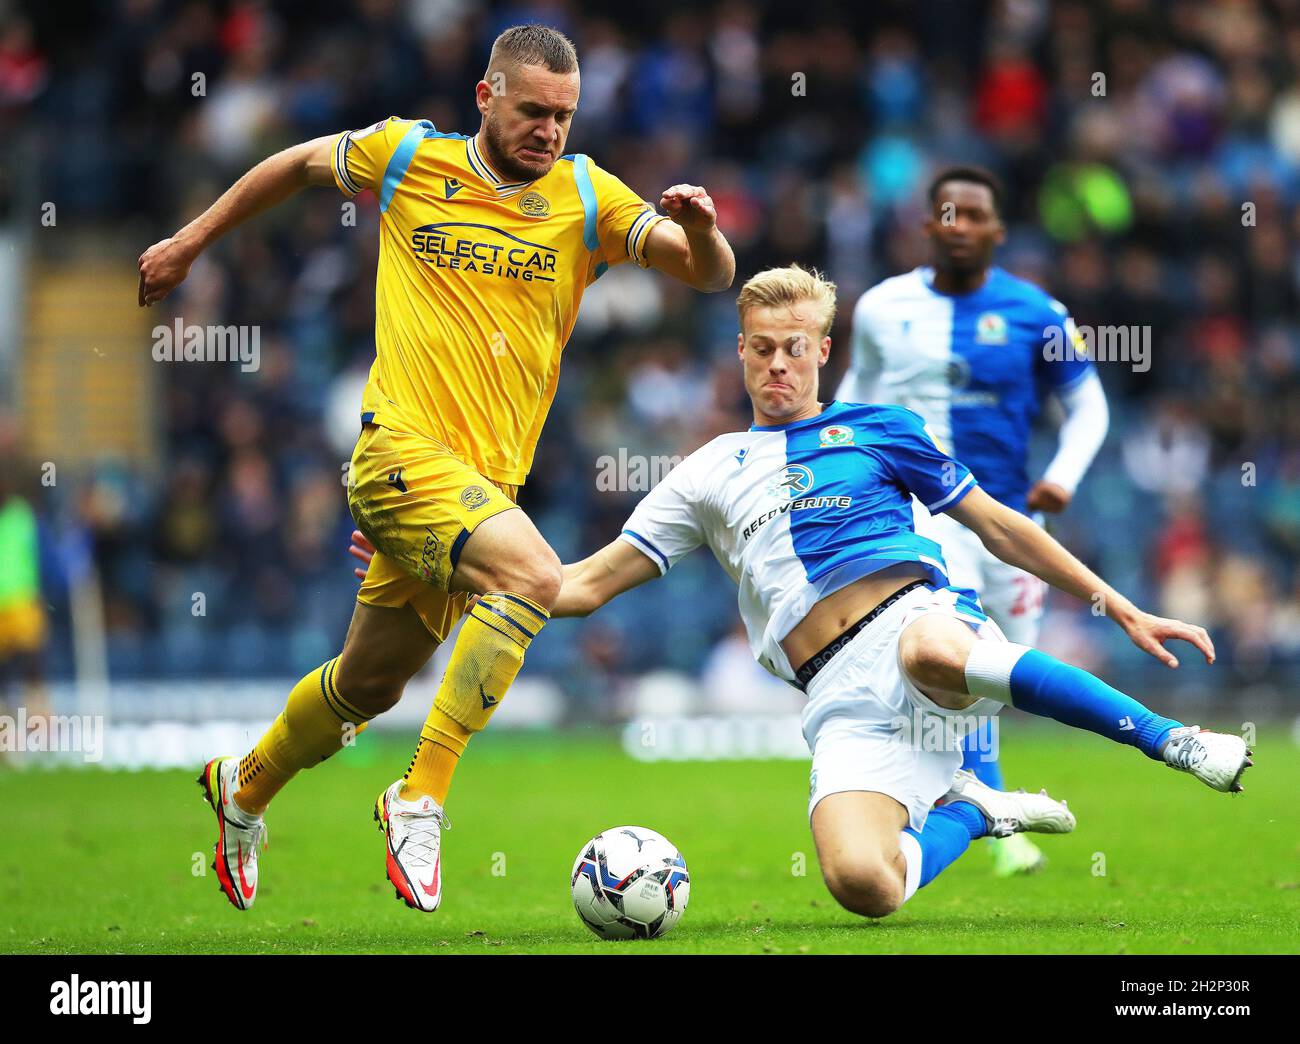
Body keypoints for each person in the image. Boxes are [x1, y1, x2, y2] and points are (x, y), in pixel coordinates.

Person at [137, 23, 735, 913]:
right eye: (532, 110)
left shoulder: (586, 193)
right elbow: (297, 164)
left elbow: (709, 277)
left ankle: (245, 787)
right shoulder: (408, 153)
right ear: (487, 96)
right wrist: (191, 241)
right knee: (532, 575)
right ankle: (419, 796)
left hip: (481, 489)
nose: (550, 130)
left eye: (564, 115)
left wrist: (706, 230)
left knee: (366, 685)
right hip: (397, 452)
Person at [536, 265, 1248, 918]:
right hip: (836, 695)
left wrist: (1116, 603)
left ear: (822, 351)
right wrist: (473, 575)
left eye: (793, 346)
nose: (776, 362)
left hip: (913, 620)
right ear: (741, 355)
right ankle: (973, 809)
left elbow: (998, 526)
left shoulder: (880, 430)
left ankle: (1175, 742)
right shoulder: (706, 470)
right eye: (760, 348)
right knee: (862, 885)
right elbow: (584, 585)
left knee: (933, 646)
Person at [837, 165, 1110, 876]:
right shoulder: (879, 308)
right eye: (946, 215)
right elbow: (851, 400)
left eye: (973, 216)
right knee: (965, 660)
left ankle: (977, 803)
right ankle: (976, 808)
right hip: (926, 518)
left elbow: (1089, 406)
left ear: (997, 231)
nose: (959, 226)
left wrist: (1062, 477)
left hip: (1013, 521)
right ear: (928, 227)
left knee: (1008, 668)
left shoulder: (1038, 313)